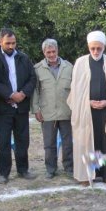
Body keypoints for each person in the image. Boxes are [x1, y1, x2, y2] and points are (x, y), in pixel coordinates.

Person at [67, 30, 106, 186]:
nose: (95, 51)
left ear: (104, 47)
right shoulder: (80, 63)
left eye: (99, 48)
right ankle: (87, 174)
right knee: (89, 140)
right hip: (87, 112)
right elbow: (76, 91)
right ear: (88, 46)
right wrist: (87, 102)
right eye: (92, 48)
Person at [0, 28, 37, 184]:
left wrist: (22, 94)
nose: (11, 46)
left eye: (14, 43)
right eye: (8, 43)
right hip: (3, 107)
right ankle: (4, 173)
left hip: (21, 106)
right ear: (0, 41)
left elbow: (32, 78)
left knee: (23, 140)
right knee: (4, 141)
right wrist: (10, 95)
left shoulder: (23, 58)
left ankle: (23, 169)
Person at [31, 39, 73, 179]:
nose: (51, 54)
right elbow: (35, 91)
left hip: (66, 111)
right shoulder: (37, 69)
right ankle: (50, 168)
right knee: (49, 143)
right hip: (47, 112)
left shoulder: (69, 67)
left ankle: (69, 166)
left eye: (53, 51)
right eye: (48, 52)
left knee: (68, 142)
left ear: (57, 51)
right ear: (44, 53)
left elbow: (75, 89)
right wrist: (36, 109)